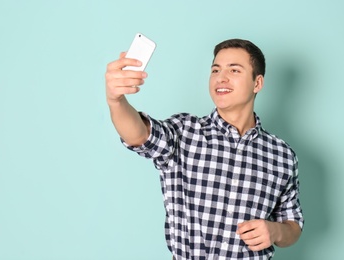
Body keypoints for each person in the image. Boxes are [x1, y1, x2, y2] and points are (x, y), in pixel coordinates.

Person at [105, 38, 304, 259]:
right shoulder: (184, 132)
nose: (221, 77)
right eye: (215, 70)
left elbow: (293, 224)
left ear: (257, 83)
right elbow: (140, 134)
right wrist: (116, 100)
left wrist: (276, 230)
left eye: (234, 70)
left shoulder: (282, 155)